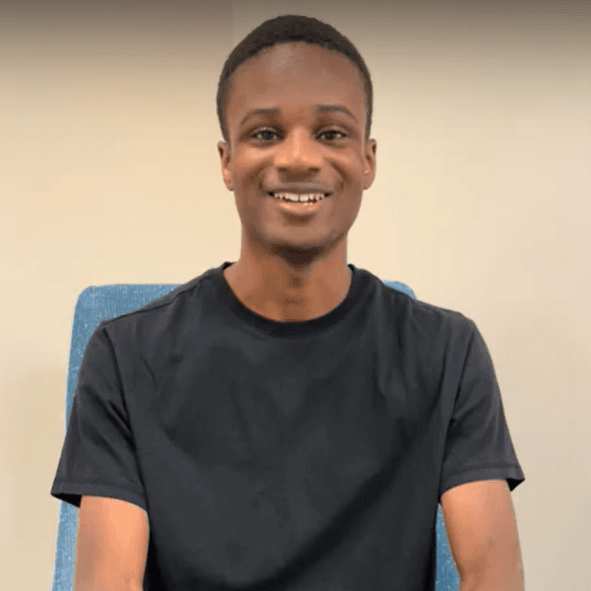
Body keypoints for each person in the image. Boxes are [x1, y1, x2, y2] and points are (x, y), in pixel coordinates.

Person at [51, 14, 525, 591]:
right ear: (227, 161)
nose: (299, 157)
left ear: (368, 159)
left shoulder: (448, 354)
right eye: (266, 133)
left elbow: (492, 577)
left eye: (331, 133)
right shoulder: (125, 358)